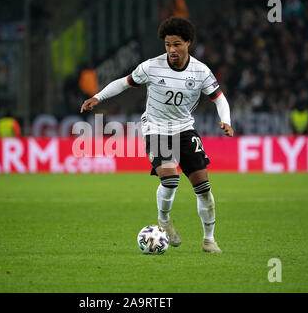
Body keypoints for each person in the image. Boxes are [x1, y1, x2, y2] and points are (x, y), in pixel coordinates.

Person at [80, 17, 234, 253]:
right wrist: (98, 97)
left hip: (184, 129)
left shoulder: (201, 71)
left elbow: (219, 98)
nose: (171, 50)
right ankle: (163, 219)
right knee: (170, 180)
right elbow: (124, 82)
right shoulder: (151, 67)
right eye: (167, 45)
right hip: (156, 128)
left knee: (203, 188)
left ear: (188, 43)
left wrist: (226, 120)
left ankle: (209, 240)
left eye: (177, 44)